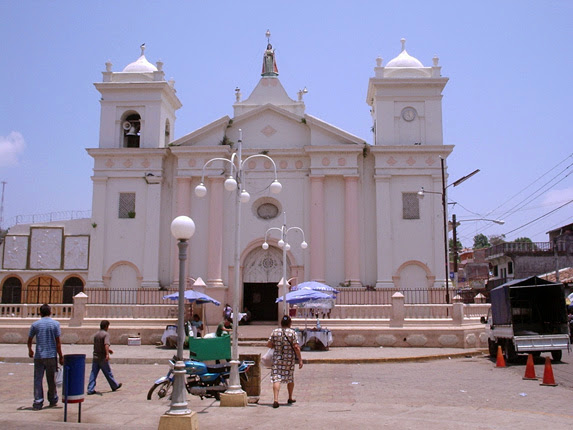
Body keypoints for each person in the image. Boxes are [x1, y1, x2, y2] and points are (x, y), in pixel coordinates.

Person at [27, 304, 64, 410]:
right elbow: (58, 342)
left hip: (39, 355)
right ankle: (52, 398)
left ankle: (38, 401)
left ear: (40, 313)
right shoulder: (55, 324)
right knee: (51, 379)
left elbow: (29, 339)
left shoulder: (35, 324)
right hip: (51, 355)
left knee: (38, 379)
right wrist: (61, 356)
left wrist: (30, 350)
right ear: (50, 312)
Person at [267, 315, 303, 408]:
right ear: (290, 323)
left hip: (277, 358)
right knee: (290, 377)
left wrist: (277, 346)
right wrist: (300, 359)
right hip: (289, 359)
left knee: (276, 378)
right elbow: (296, 347)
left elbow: (269, 344)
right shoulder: (292, 333)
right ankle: (290, 397)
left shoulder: (275, 332)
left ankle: (275, 399)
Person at [87, 320, 122, 395]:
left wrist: (108, 350)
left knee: (93, 373)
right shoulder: (105, 334)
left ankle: (90, 388)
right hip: (102, 357)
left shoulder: (96, 334)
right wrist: (107, 354)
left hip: (95, 356)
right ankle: (114, 385)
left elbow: (99, 345)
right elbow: (106, 344)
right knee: (108, 372)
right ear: (106, 326)